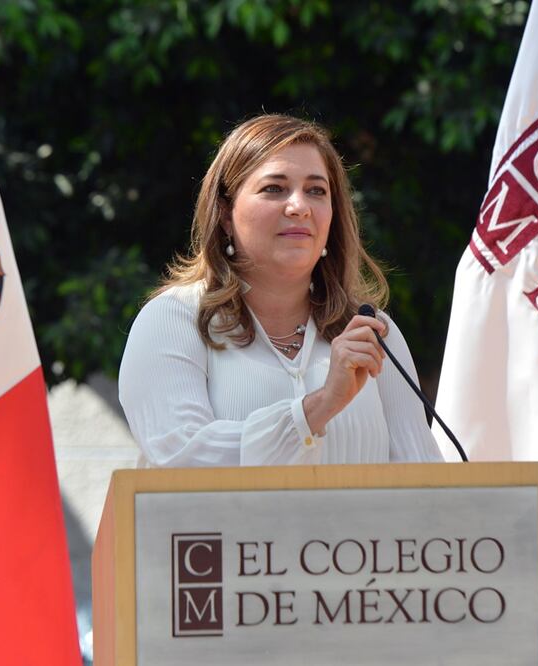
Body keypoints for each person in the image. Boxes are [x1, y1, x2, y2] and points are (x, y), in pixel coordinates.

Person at [118, 114, 444, 467]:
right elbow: (182, 460)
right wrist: (318, 407)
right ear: (226, 214)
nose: (299, 206)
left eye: (316, 190)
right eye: (274, 188)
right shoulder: (174, 319)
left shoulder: (373, 333)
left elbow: (423, 479)